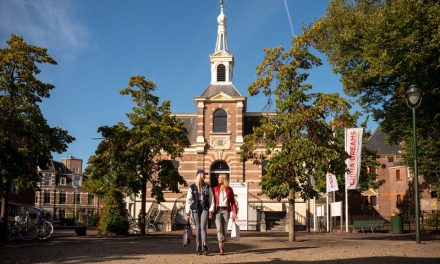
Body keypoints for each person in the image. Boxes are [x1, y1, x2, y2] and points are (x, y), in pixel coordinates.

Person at [185, 169, 214, 255]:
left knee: (203, 227)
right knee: (197, 228)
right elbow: (188, 200)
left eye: (205, 174)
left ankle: (205, 246)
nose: (205, 176)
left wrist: (211, 210)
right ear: (199, 175)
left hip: (205, 208)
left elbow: (211, 199)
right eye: (203, 174)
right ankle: (198, 247)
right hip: (195, 209)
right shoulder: (192, 187)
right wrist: (187, 212)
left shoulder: (208, 187)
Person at [213, 174, 238, 255]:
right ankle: (221, 246)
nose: (218, 179)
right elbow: (212, 201)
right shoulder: (215, 189)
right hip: (217, 210)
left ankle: (222, 245)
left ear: (224, 179)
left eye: (220, 178)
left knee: (224, 229)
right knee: (219, 228)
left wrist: (235, 212)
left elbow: (233, 202)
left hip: (226, 211)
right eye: (218, 178)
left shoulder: (229, 189)